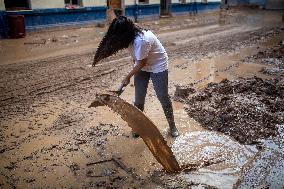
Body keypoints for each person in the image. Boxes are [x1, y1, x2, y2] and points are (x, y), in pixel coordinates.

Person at [93, 16, 179, 137]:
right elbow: (137, 58)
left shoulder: (142, 40)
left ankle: (172, 126)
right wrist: (134, 64)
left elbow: (142, 62)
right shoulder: (127, 38)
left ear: (125, 33)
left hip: (157, 64)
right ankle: (138, 126)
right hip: (142, 63)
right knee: (139, 100)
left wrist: (127, 77)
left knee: (162, 96)